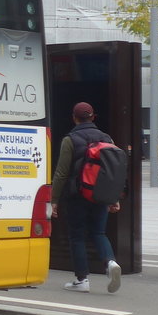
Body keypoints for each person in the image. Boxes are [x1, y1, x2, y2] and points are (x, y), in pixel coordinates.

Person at [51, 102, 122, 293]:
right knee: (99, 233)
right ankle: (110, 263)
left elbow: (61, 173)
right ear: (93, 117)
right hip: (100, 195)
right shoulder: (107, 138)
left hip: (77, 196)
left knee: (77, 236)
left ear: (74, 118)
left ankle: (82, 280)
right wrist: (114, 198)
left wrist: (54, 199)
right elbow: (113, 171)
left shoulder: (70, 139)